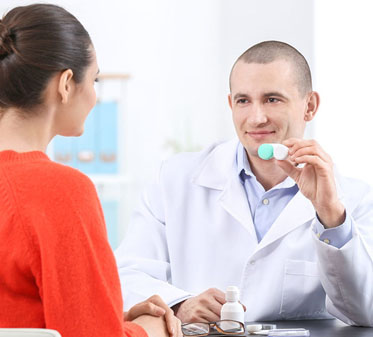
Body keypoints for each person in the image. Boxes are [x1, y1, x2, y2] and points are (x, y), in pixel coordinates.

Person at [115, 40, 373, 327]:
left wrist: (330, 215)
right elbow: (126, 275)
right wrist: (181, 304)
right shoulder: (174, 180)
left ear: (309, 106)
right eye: (243, 101)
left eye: (272, 99)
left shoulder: (353, 199)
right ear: (230, 104)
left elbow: (366, 310)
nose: (256, 117)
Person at [0, 4, 181, 337]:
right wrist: (151, 330)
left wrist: (120, 317)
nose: (95, 94)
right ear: (66, 84)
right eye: (94, 78)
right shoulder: (59, 191)